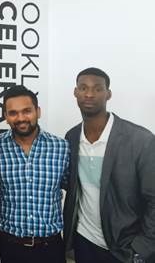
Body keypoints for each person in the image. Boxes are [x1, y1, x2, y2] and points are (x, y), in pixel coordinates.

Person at [63, 67, 155, 263]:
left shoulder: (140, 140)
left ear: (108, 94)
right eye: (83, 88)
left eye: (97, 88)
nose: (89, 94)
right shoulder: (71, 137)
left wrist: (141, 249)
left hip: (124, 249)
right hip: (84, 242)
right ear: (75, 92)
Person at [0, 85, 69, 263]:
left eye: (27, 111)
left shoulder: (61, 147)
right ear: (5, 117)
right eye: (13, 113)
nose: (21, 118)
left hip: (50, 249)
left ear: (38, 111)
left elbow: (75, 190)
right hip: (8, 247)